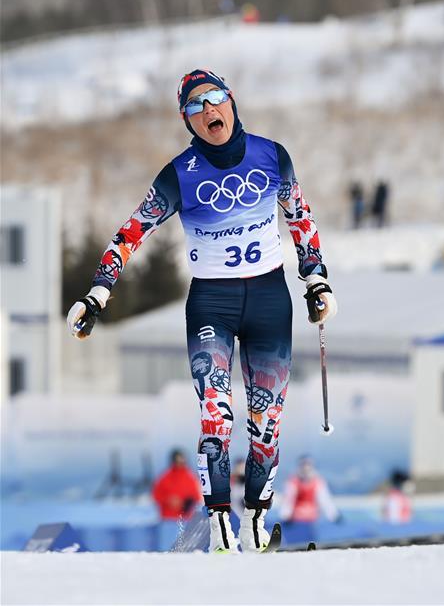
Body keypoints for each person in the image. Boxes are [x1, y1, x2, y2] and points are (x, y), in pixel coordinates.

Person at [65, 69, 338, 553]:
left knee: (266, 420)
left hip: (271, 298)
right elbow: (132, 232)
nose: (210, 110)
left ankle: (255, 521)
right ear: (188, 121)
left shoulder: (272, 156)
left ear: (231, 101)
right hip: (213, 301)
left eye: (215, 98)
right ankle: (218, 529)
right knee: (216, 414)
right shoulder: (178, 175)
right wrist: (97, 293)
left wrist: (316, 279)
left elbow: (300, 218)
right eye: (196, 105)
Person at [280, 455, 342, 542]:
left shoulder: (318, 482)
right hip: (296, 521)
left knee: (310, 542)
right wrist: (285, 516)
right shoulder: (293, 482)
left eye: (308, 465)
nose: (306, 468)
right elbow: (288, 500)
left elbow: (325, 501)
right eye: (303, 465)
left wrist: (334, 516)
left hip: (311, 521)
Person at [151, 449, 202, 521]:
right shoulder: (165, 477)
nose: (180, 463)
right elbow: (156, 494)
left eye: (182, 460)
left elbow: (197, 497)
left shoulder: (191, 478)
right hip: (168, 519)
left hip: (186, 519)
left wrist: (186, 504)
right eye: (177, 460)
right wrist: (168, 500)